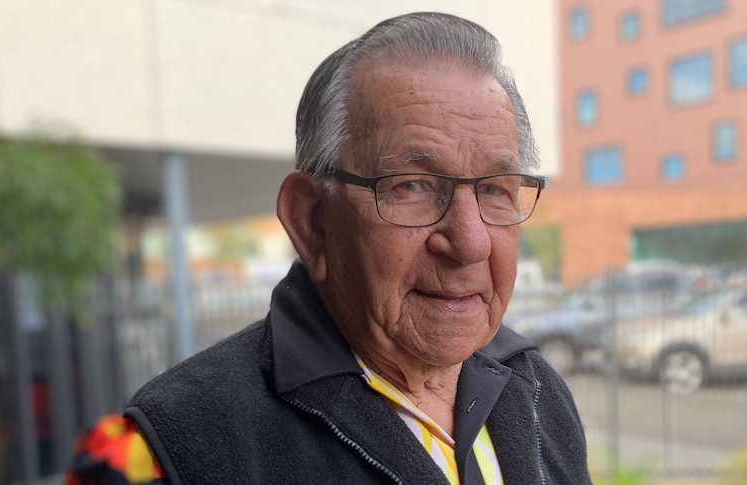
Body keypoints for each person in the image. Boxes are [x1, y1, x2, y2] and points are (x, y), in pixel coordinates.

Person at [76, 11, 592, 485]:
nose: (470, 242)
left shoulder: (537, 389)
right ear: (312, 221)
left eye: (495, 190)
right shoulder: (165, 451)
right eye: (410, 186)